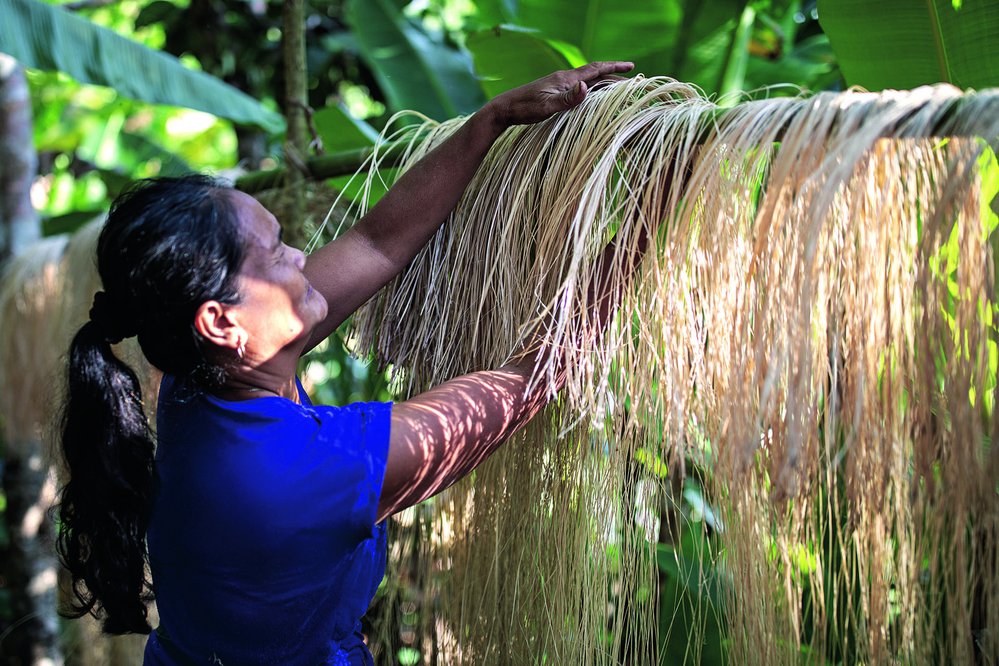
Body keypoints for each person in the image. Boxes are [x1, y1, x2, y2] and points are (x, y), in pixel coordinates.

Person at [56, 62, 634, 665]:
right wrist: (649, 211)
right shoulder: (308, 471)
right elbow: (533, 376)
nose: (302, 255)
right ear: (221, 321)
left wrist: (494, 119)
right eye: (276, 254)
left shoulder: (196, 376)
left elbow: (374, 244)